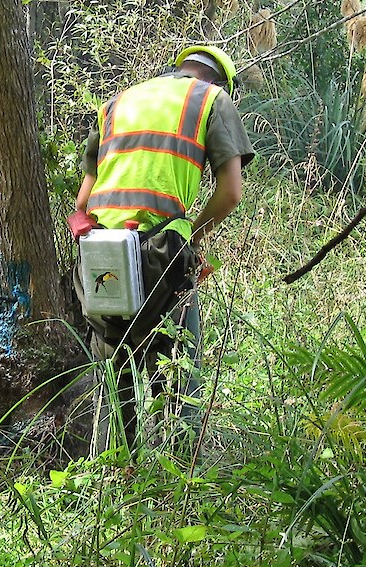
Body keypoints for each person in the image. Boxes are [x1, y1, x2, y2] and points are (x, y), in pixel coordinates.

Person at [69, 44, 255, 452]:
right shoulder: (211, 99)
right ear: (220, 80)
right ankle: (177, 485)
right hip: (160, 252)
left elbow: (83, 204)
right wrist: (195, 238)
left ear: (179, 69)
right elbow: (230, 194)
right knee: (179, 371)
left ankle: (114, 474)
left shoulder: (117, 103)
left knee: (113, 381)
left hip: (100, 251)